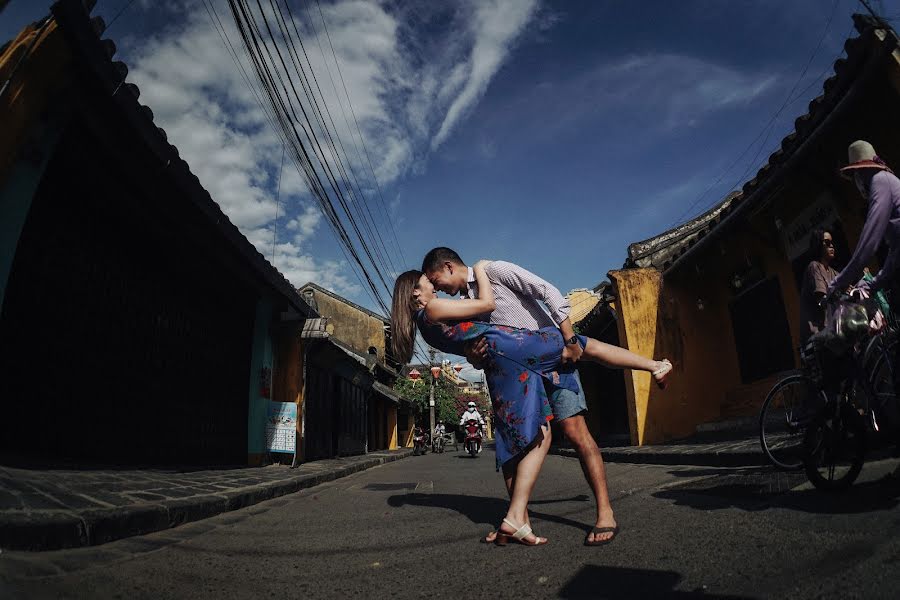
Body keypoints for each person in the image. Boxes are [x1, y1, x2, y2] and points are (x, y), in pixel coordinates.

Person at [391, 261, 671, 546]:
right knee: (520, 444)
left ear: (448, 266)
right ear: (415, 293)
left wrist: (569, 337)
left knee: (574, 431)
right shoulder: (456, 304)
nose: (437, 287)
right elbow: (474, 335)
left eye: (435, 280)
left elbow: (546, 291)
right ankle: (517, 518)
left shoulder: (495, 271)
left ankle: (600, 513)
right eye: (431, 284)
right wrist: (474, 355)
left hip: (541, 353)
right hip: (517, 359)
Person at [827, 140, 900, 439]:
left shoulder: (881, 183)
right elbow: (896, 253)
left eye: (855, 177)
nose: (856, 184)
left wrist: (840, 281)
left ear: (862, 172)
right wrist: (873, 282)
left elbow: (868, 241)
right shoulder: (890, 182)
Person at [799, 228, 839, 344]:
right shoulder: (814, 267)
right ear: (818, 245)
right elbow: (822, 300)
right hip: (819, 337)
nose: (831, 246)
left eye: (832, 243)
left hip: (834, 332)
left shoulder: (833, 272)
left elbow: (847, 287)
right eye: (827, 243)